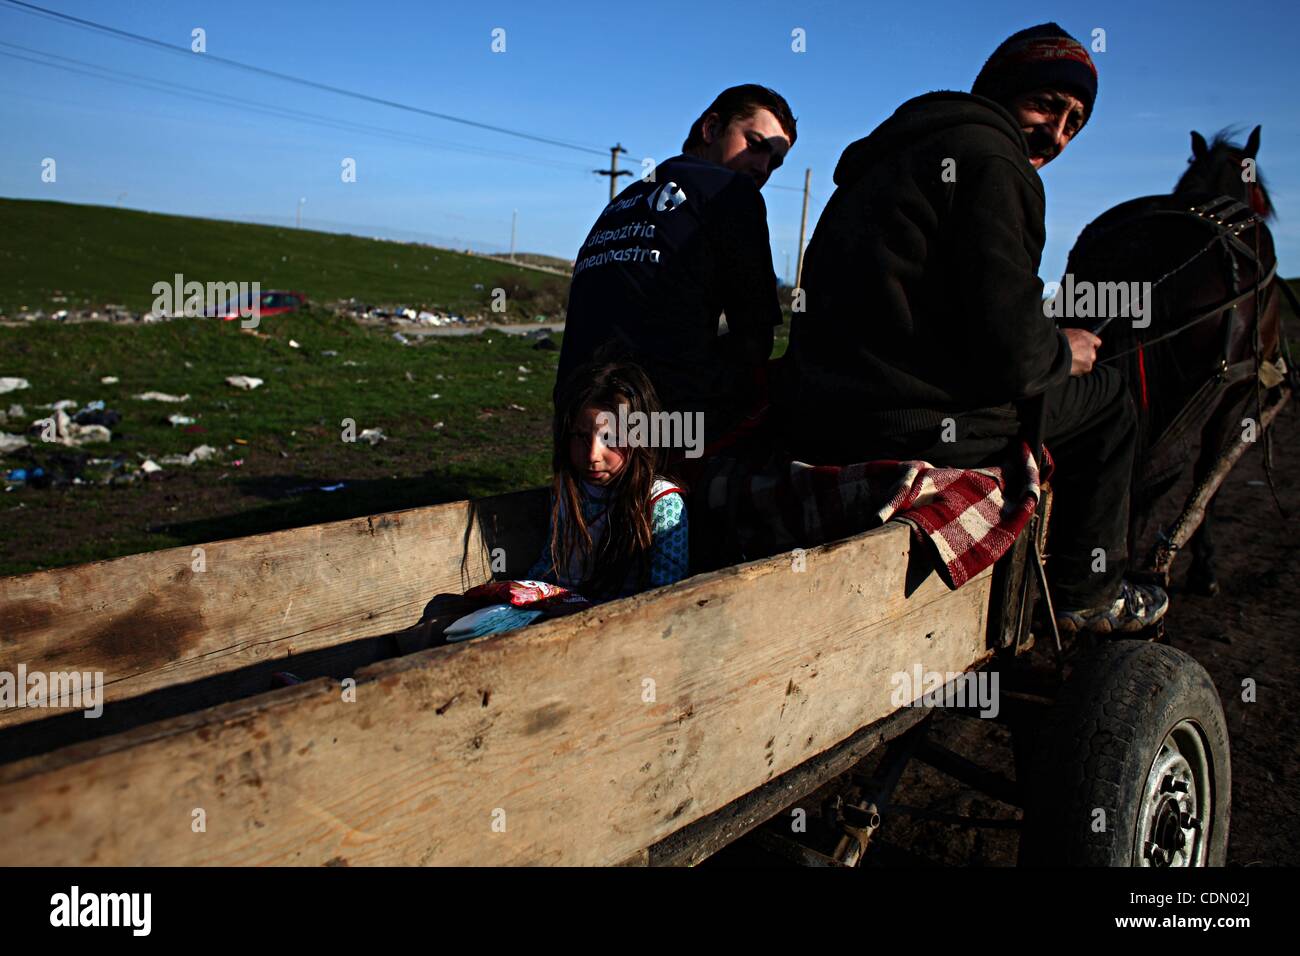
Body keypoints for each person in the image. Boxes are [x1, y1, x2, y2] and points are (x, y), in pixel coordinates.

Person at [778, 23, 1168, 634]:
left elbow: (948, 301)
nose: (1057, 136)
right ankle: (1088, 593)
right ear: (1001, 91)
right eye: (1046, 105)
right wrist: (1062, 351)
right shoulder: (995, 159)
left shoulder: (893, 150)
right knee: (1110, 399)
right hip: (905, 420)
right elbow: (1009, 351)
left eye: (1075, 123)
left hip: (820, 406)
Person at [557, 84, 796, 453]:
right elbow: (756, 338)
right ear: (711, 128)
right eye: (755, 143)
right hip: (661, 430)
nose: (763, 167)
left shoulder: (623, 201)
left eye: (775, 161)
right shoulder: (730, 192)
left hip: (574, 425)